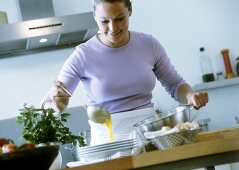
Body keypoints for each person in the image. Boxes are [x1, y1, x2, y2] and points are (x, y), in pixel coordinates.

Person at [40, 0, 208, 145]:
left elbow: (174, 84)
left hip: (150, 136)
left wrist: (190, 96)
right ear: (94, 16)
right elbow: (48, 101)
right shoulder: (83, 55)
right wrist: (56, 106)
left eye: (119, 18)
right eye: (104, 21)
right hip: (107, 142)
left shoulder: (148, 44)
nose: (113, 28)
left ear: (130, 10)